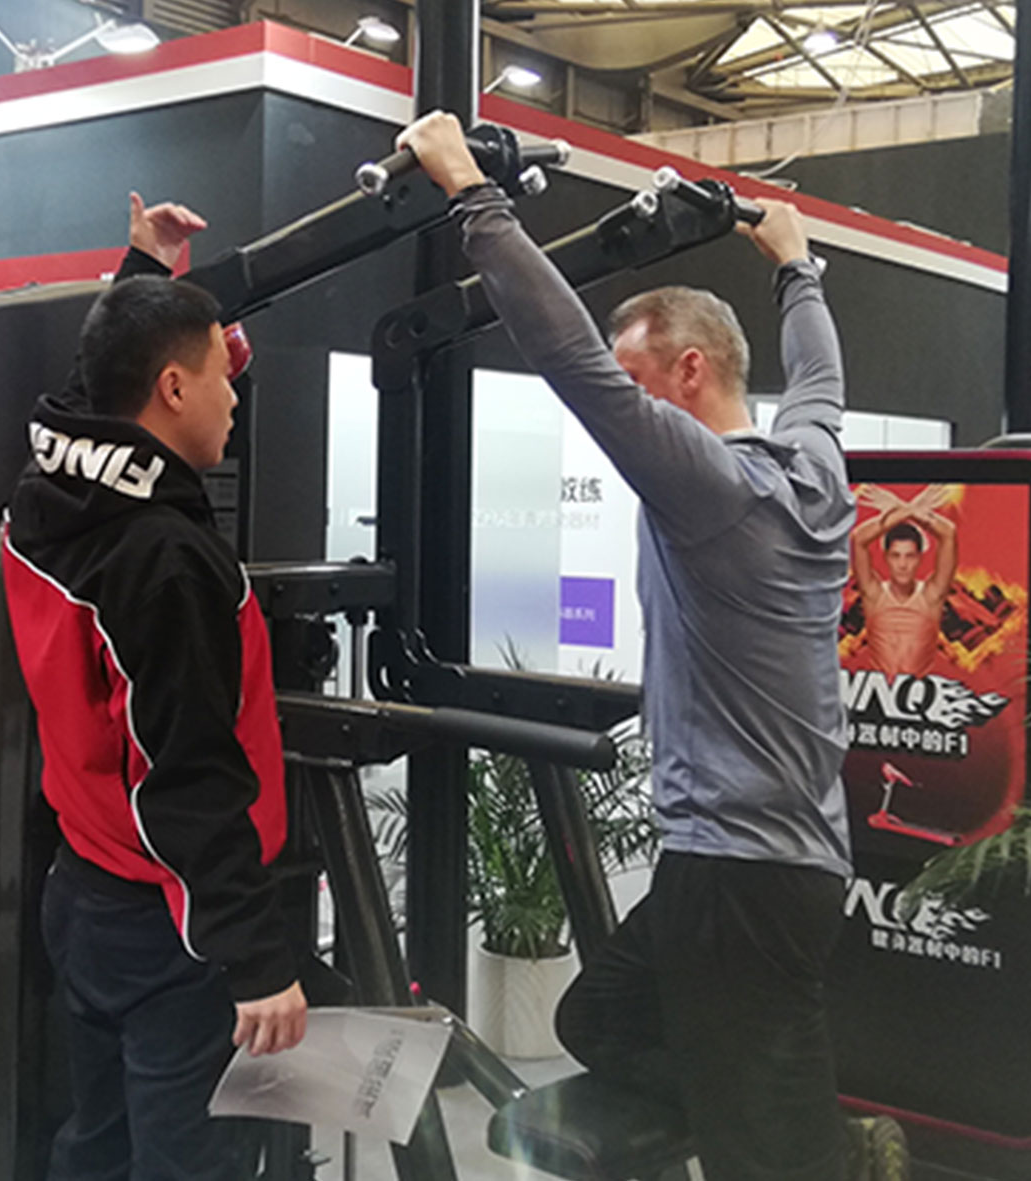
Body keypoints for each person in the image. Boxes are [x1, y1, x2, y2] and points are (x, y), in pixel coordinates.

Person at [396, 113, 908, 1181]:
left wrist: (470, 195)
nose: (625, 409)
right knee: (600, 1014)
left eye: (641, 383)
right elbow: (819, 380)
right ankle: (787, 1120)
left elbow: (571, 360)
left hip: (741, 873)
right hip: (756, 866)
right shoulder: (811, 464)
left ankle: (815, 1148)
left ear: (687, 372)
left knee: (764, 1158)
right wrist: (796, 267)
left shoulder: (710, 486)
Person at [0, 193, 305, 1181]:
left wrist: (143, 270)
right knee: (187, 1161)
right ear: (172, 387)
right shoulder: (165, 559)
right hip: (168, 916)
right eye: (221, 375)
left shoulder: (47, 486)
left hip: (85, 888)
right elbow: (187, 774)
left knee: (98, 1140)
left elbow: (97, 382)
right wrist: (255, 955)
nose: (234, 396)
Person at [850, 484, 959, 676]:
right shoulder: (873, 595)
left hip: (921, 690)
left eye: (910, 556)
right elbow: (858, 539)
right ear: (886, 557)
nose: (902, 564)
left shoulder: (931, 596)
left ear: (919, 558)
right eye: (896, 556)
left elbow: (948, 533)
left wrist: (902, 510)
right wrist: (909, 510)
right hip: (879, 690)